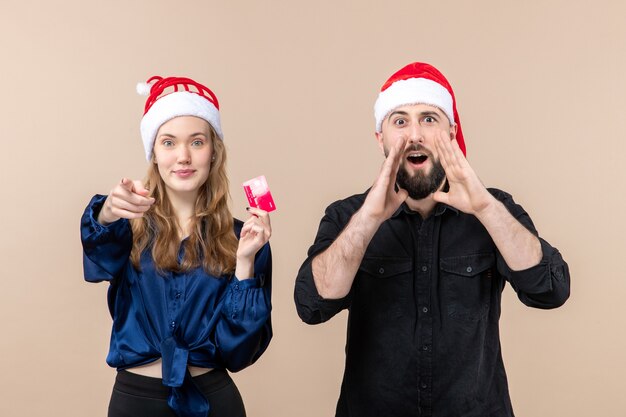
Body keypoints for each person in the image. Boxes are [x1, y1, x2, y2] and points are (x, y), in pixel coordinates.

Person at [294, 62, 570, 417]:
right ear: (381, 138)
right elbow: (312, 304)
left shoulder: (494, 209)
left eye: (428, 118)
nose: (414, 135)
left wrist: (485, 207)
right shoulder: (347, 216)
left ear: (451, 134)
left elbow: (550, 289)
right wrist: (369, 219)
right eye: (400, 121)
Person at [81, 76, 272, 417]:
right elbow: (98, 256)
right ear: (153, 153)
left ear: (213, 152)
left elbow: (238, 353)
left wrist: (244, 265)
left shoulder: (245, 239)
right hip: (135, 402)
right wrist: (107, 211)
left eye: (197, 142)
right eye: (169, 143)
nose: (183, 156)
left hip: (213, 400)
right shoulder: (126, 227)